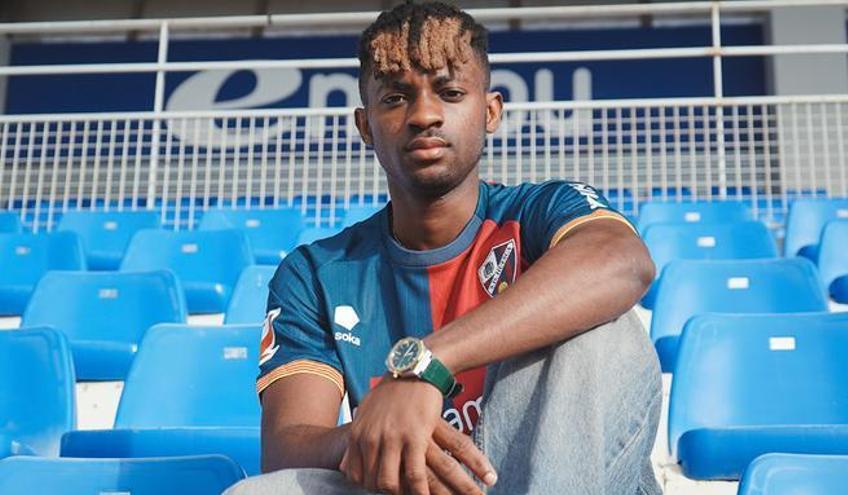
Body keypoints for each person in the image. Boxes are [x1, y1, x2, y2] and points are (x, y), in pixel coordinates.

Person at [225, 2, 662, 494]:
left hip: (548, 475)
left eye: (450, 93)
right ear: (365, 126)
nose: (424, 115)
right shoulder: (316, 272)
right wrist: (396, 432)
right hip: (413, 483)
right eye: (395, 99)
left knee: (602, 328)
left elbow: (623, 261)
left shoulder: (542, 211)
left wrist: (423, 367)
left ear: (490, 111)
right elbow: (288, 448)